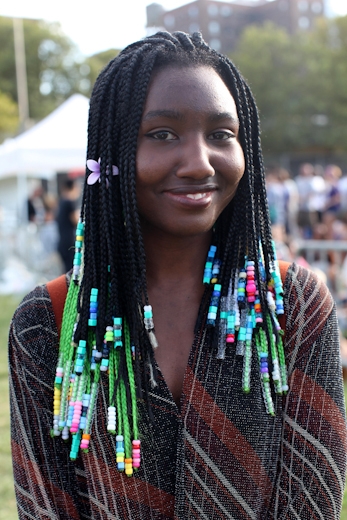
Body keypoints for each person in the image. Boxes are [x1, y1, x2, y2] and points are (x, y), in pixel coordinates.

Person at [8, 32, 346, 519]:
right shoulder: (51, 322)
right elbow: (47, 507)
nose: (198, 163)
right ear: (111, 155)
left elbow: (312, 504)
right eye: (162, 134)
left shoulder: (290, 304)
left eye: (221, 135)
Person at [56, 178, 81, 273]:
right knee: (71, 272)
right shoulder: (69, 202)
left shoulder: (62, 201)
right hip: (69, 243)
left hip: (63, 242)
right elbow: (76, 221)